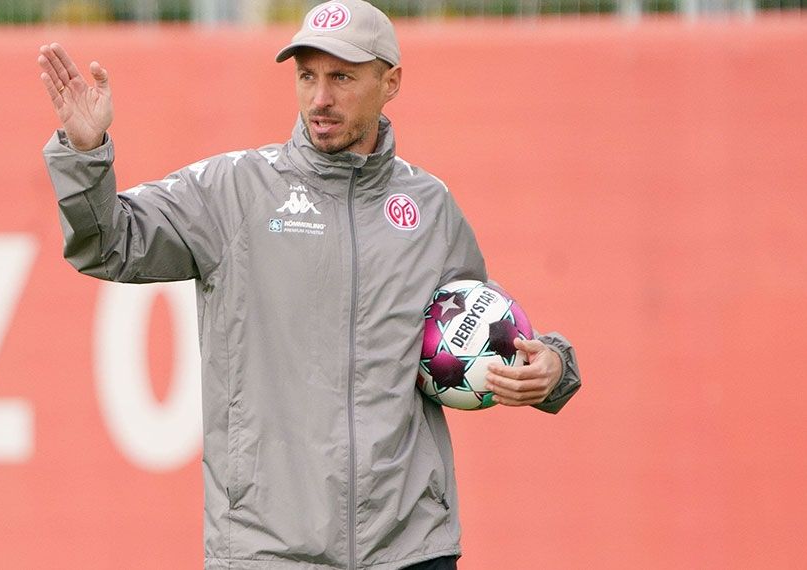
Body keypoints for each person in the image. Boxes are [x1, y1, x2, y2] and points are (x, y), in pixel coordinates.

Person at [38, 1, 580, 568]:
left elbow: (480, 328)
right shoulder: (232, 191)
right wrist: (85, 154)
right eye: (307, 76)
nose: (320, 98)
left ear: (390, 82)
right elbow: (110, 243)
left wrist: (551, 368)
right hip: (269, 550)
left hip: (411, 549)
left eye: (341, 78)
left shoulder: (428, 206)